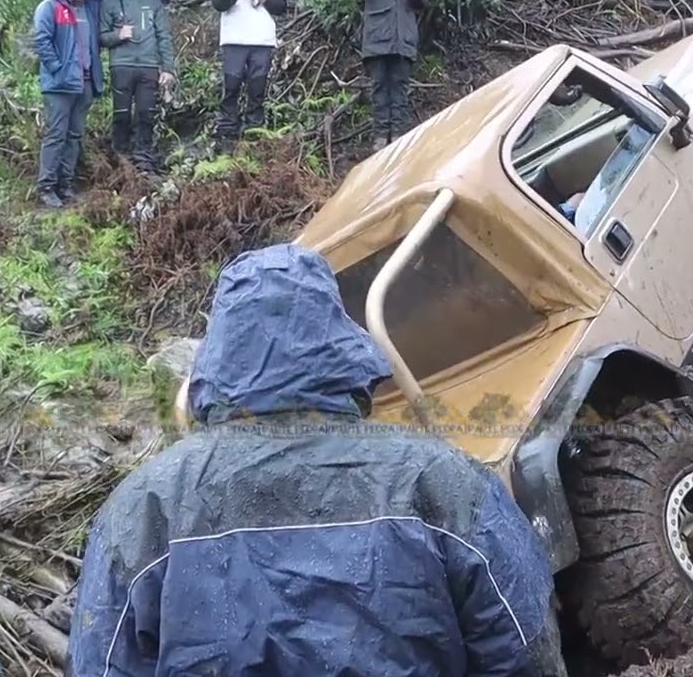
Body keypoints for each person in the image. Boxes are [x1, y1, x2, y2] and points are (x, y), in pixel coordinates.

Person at [65, 243, 567, 677]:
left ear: (218, 353)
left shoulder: (146, 504)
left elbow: (102, 660)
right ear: (338, 336)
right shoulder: (440, 480)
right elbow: (525, 647)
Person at [32, 0, 104, 209]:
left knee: (74, 136)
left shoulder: (90, 9)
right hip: (59, 86)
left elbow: (95, 44)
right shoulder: (49, 7)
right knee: (56, 135)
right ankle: (46, 187)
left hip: (84, 83)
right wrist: (58, 69)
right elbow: (42, 42)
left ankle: (66, 184)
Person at [99, 0, 177, 173]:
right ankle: (121, 157)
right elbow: (101, 37)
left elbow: (164, 36)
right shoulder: (110, 3)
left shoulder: (153, 2)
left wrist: (168, 68)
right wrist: (118, 34)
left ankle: (144, 157)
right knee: (122, 113)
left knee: (146, 113)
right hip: (121, 66)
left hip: (148, 65)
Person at [347, 0, 430, 152]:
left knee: (400, 88)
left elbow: (426, 0)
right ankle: (381, 136)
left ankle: (399, 135)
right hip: (377, 37)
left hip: (404, 37)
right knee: (379, 88)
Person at [210, 0, 288, 150]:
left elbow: (282, 6)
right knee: (231, 84)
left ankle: (255, 131)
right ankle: (227, 131)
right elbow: (218, 3)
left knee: (258, 85)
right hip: (234, 39)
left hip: (262, 39)